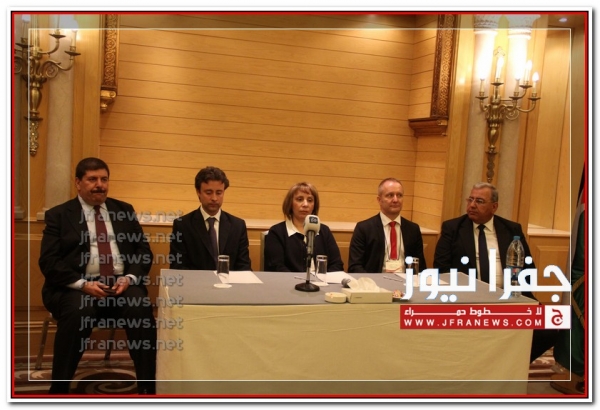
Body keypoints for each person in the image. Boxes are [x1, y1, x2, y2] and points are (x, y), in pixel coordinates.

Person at [38, 157, 156, 394]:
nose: (99, 185)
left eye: (104, 179)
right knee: (79, 311)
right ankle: (59, 390)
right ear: (78, 183)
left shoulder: (124, 210)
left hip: (120, 285)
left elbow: (143, 252)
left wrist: (129, 278)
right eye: (92, 179)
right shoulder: (59, 215)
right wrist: (83, 284)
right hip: (75, 287)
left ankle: (148, 388)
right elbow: (49, 261)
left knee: (140, 307)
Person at [433, 182, 558, 362]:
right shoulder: (452, 228)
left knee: (552, 326)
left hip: (508, 297)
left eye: (479, 201)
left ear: (494, 207)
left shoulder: (512, 229)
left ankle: (512, 363)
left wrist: (515, 292)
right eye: (470, 199)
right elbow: (441, 269)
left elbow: (528, 269)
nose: (472, 205)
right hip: (469, 299)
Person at [169, 166, 251, 271]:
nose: (214, 198)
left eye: (219, 193)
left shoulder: (237, 226)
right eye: (208, 192)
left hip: (230, 281)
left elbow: (244, 267)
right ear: (198, 192)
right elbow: (178, 267)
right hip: (196, 281)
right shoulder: (182, 225)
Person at [348, 178, 427, 273]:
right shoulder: (364, 228)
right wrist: (371, 281)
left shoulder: (413, 229)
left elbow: (420, 266)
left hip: (406, 280)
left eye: (399, 195)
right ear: (379, 200)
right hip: (375, 280)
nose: (395, 200)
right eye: (390, 195)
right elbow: (355, 266)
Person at [264, 182, 344, 272]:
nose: (305, 204)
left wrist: (322, 278)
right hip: (289, 280)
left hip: (323, 280)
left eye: (310, 200)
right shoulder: (277, 232)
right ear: (290, 203)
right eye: (299, 199)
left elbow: (337, 264)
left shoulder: (324, 231)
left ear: (314, 205)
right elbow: (276, 267)